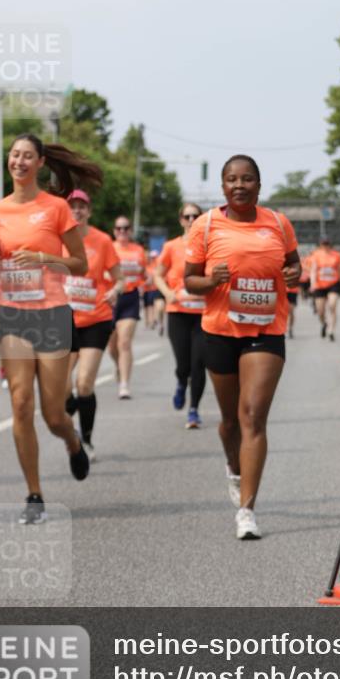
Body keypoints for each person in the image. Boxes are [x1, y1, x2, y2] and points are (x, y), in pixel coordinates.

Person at [0, 134, 101, 524]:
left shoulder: (55, 208)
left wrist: (44, 257)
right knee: (20, 403)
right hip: (14, 314)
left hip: (51, 313)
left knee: (52, 414)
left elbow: (81, 263)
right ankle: (34, 494)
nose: (19, 161)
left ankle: (72, 442)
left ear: (40, 162)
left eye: (27, 156)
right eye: (14, 155)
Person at [184, 155, 301, 540]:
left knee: (252, 415)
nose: (239, 185)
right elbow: (189, 282)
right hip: (219, 330)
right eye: (232, 179)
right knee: (230, 421)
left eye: (247, 179)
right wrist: (210, 279)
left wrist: (294, 272)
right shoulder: (205, 226)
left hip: (266, 329)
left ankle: (247, 510)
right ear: (222, 187)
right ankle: (234, 468)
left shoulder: (278, 223)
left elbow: (294, 265)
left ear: (258, 185)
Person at [64, 189, 123, 460]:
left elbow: (119, 277)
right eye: (72, 206)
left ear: (89, 211)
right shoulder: (57, 238)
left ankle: (86, 439)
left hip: (95, 319)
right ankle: (70, 426)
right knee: (62, 389)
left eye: (81, 206)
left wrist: (115, 290)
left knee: (84, 383)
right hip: (63, 321)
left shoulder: (102, 240)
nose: (77, 211)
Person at [154, 204, 207, 429]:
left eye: (196, 216)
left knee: (199, 364)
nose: (192, 219)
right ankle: (180, 382)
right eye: (187, 216)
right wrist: (167, 293)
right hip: (178, 313)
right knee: (183, 365)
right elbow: (157, 275)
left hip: (203, 315)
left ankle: (193, 410)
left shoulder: (210, 246)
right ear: (181, 220)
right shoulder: (171, 247)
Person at [108, 217, 146, 399]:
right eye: (119, 228)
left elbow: (144, 273)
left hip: (130, 298)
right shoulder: (108, 248)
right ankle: (118, 365)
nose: (122, 231)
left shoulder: (138, 250)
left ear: (130, 230)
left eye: (126, 228)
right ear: (114, 231)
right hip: (111, 299)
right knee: (112, 347)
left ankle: (124, 384)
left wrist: (150, 280)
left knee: (124, 342)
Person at [310, 238, 340, 341]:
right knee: (320, 310)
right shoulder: (316, 255)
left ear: (330, 245)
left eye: (327, 244)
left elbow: (339, 270)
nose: (325, 246)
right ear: (321, 245)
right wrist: (312, 284)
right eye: (323, 244)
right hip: (320, 285)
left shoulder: (336, 255)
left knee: (332, 305)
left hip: (333, 284)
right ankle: (324, 323)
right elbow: (313, 270)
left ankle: (331, 331)